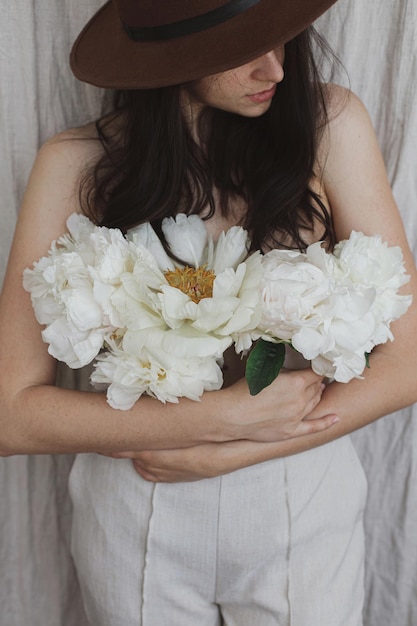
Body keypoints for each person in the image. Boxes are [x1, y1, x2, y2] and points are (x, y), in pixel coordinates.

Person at [1, 0, 417, 624]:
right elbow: (11, 415)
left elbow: (408, 358)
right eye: (240, 47)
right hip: (137, 505)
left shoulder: (330, 125)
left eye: (279, 36)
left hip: (299, 488)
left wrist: (231, 448)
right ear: (171, 52)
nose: (274, 69)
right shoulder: (76, 163)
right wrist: (216, 417)